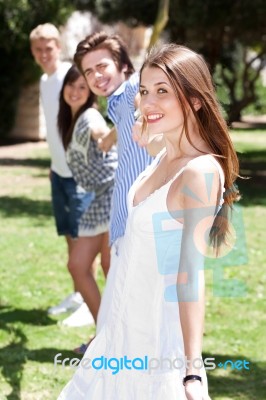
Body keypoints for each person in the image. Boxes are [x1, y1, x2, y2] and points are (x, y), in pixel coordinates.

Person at [57, 43, 239, 399]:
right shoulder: (164, 155)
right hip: (120, 324)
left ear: (195, 100)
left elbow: (190, 275)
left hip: (153, 340)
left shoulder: (200, 172)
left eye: (162, 92)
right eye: (144, 91)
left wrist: (191, 370)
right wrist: (145, 136)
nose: (149, 102)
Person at [30, 23, 94, 321]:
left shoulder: (70, 76)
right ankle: (79, 294)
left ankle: (87, 303)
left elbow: (86, 118)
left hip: (80, 174)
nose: (44, 54)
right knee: (70, 234)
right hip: (59, 172)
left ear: (58, 47)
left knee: (83, 239)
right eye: (38, 49)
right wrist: (53, 164)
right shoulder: (45, 81)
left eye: (49, 48)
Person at [57, 64, 117, 346]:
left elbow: (99, 132)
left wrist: (107, 134)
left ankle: (115, 339)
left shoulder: (90, 116)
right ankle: (105, 334)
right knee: (78, 265)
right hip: (98, 197)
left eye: (84, 87)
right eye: (73, 84)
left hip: (112, 194)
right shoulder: (71, 120)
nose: (76, 91)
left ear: (91, 94)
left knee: (110, 267)